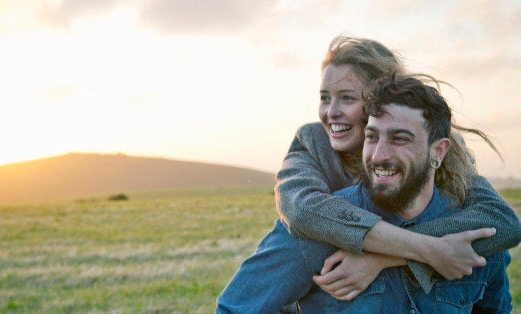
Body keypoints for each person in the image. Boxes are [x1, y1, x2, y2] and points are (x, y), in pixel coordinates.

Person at [215, 36, 520, 311]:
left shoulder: (450, 165)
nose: (331, 111)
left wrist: (382, 258)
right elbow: (302, 211)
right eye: (324, 97)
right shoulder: (314, 146)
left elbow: (503, 223)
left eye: (347, 98)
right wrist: (428, 250)